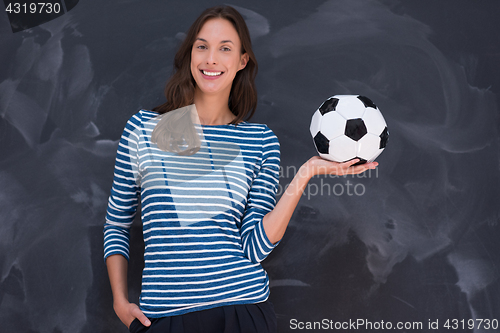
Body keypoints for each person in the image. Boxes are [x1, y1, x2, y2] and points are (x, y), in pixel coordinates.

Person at [103, 5, 378, 333]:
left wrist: (305, 174)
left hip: (241, 314)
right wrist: (119, 300)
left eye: (225, 49)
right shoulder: (144, 129)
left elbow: (254, 246)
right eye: (202, 46)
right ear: (190, 53)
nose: (211, 59)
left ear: (242, 61)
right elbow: (117, 224)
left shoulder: (259, 141)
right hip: (163, 317)